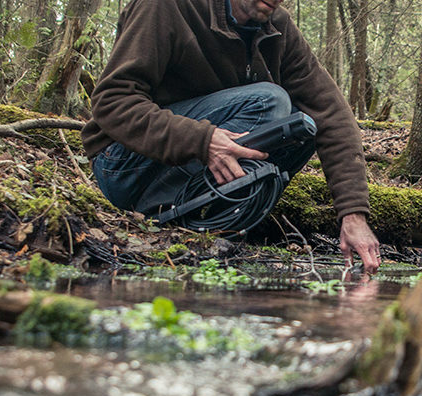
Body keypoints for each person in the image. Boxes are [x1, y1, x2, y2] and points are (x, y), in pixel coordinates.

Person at [80, 0, 381, 274]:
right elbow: (112, 101)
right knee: (270, 101)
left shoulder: (278, 27)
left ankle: (211, 230)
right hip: (124, 165)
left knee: (302, 128)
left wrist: (353, 214)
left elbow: (334, 114)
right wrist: (202, 140)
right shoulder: (165, 6)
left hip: (184, 171)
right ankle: (186, 222)